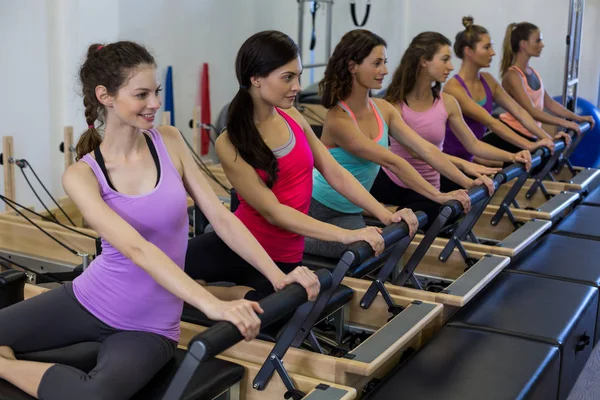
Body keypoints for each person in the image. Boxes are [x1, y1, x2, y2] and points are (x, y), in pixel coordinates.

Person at [0, 41, 315, 400]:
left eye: (156, 92)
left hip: (148, 327)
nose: (154, 103)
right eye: (141, 94)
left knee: (96, 396)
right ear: (105, 96)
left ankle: (6, 364)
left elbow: (221, 219)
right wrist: (211, 305)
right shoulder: (82, 175)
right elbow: (137, 249)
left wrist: (278, 276)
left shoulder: (169, 141)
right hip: (88, 300)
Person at [198, 30, 418, 275]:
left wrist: (385, 215)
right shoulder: (229, 142)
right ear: (256, 78)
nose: (297, 87)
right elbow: (275, 213)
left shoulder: (291, 115)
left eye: (298, 76)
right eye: (287, 78)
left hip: (284, 256)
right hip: (246, 248)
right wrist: (345, 236)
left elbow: (335, 171)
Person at [306, 29, 499, 248]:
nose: (385, 70)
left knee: (380, 251)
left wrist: (467, 182)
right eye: (377, 63)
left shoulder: (383, 108)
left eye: (385, 62)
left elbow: (425, 149)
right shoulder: (338, 120)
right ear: (352, 67)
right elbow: (392, 161)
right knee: (372, 250)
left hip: (351, 209)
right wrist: (437, 196)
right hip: (317, 209)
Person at [374, 31, 531, 215]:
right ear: (424, 61)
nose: (450, 66)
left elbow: (473, 144)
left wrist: (512, 157)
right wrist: (464, 165)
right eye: (445, 59)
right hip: (396, 185)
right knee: (438, 212)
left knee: (448, 210)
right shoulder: (395, 106)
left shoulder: (447, 102)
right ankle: (384, 211)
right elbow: (418, 152)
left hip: (432, 184)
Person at [442, 16, 569, 185]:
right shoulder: (453, 88)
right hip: (451, 163)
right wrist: (529, 146)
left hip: (472, 159)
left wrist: (546, 138)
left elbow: (520, 112)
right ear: (469, 51)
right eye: (487, 47)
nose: (493, 52)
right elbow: (491, 123)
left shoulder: (488, 80)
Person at [499, 21, 595, 137]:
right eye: (538, 40)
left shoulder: (532, 72)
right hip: (512, 133)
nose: (542, 45)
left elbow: (549, 103)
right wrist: (565, 123)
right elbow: (532, 111)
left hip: (530, 135)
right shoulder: (513, 76)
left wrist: (577, 118)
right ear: (523, 44)